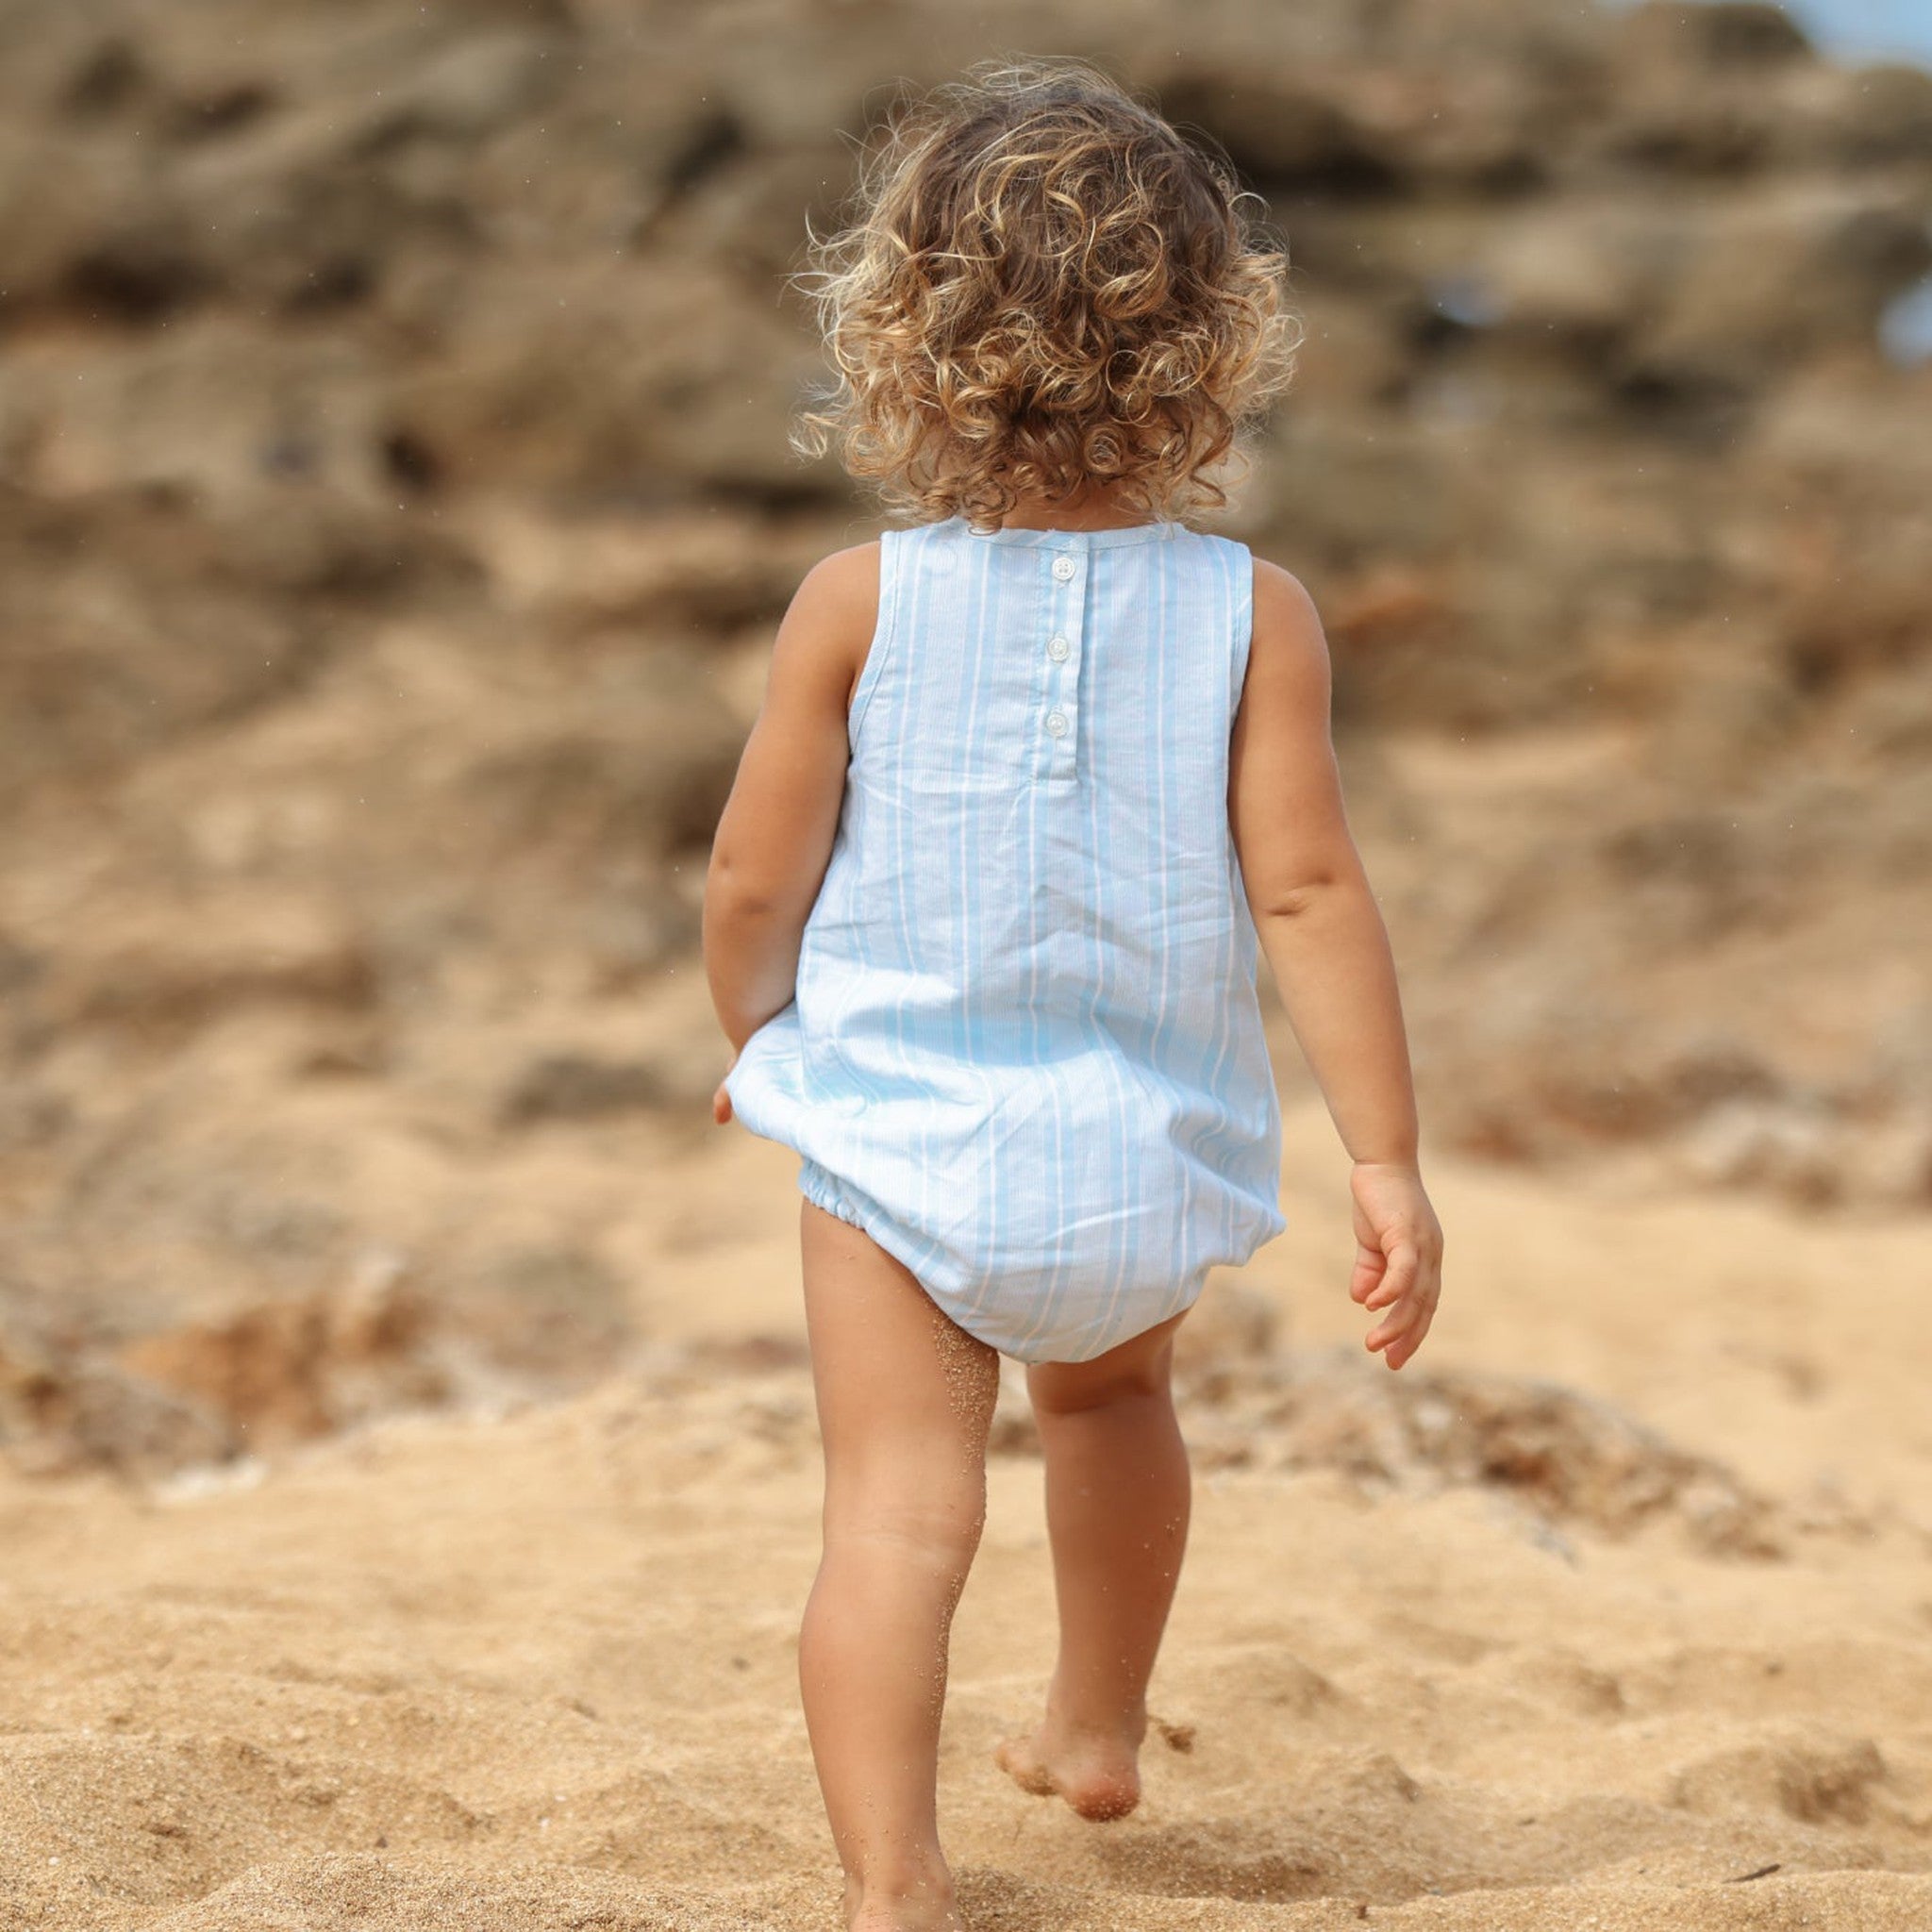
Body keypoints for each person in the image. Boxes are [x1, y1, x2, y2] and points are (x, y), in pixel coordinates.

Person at [701, 54, 1444, 1932]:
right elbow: (1306, 887)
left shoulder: (853, 604)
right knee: (1112, 1416)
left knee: (895, 1514)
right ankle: (1096, 1727)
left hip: (897, 1149)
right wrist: (1387, 1158)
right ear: (1208, 346)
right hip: (1137, 1149)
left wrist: (763, 1044)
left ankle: (894, 1882)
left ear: (905, 336)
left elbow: (747, 877)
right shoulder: (1249, 609)